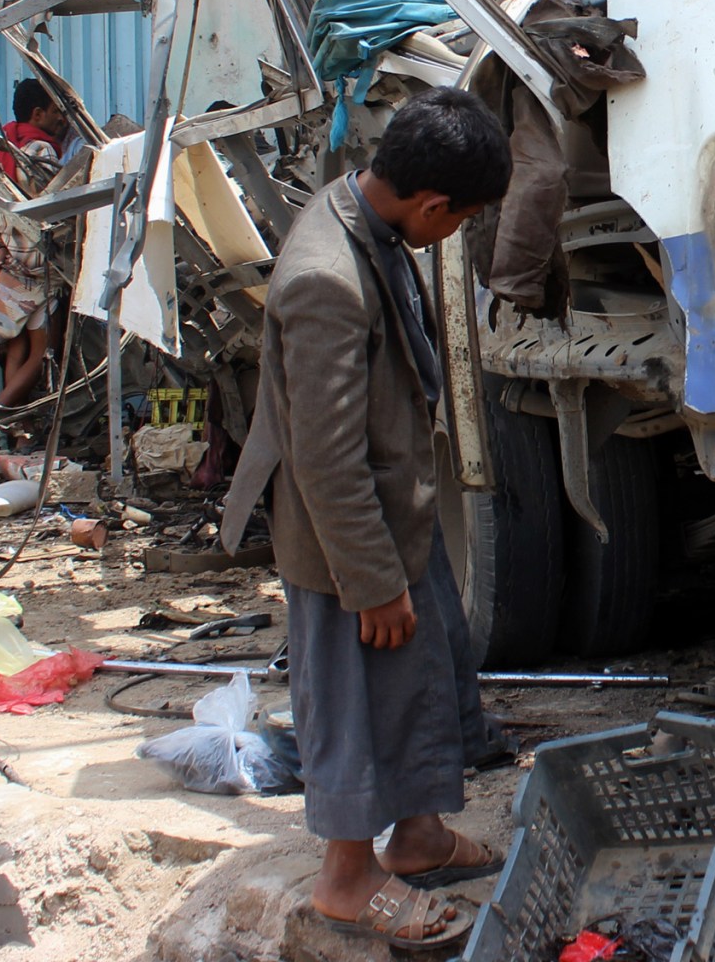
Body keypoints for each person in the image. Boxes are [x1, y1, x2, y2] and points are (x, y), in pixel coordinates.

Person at [218, 87, 512, 949]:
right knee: (354, 705)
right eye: (460, 221)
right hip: (347, 540)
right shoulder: (324, 277)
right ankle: (348, 880)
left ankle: (416, 839)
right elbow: (323, 457)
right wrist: (373, 584)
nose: (454, 235)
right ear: (432, 205)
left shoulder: (367, 213)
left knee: (421, 679)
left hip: (396, 513)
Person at [0, 80, 69, 406]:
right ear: (38, 114)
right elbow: (56, 208)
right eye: (56, 112)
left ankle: (12, 430)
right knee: (43, 353)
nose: (62, 120)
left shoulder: (2, 150)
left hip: (8, 268)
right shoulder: (42, 150)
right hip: (41, 268)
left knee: (16, 348)